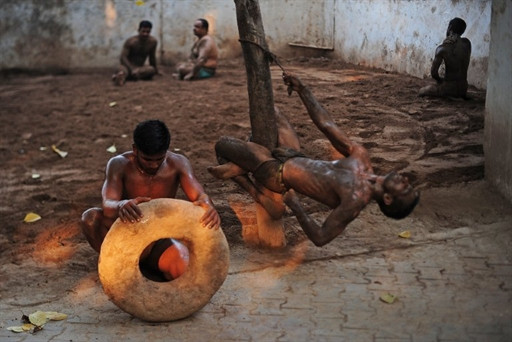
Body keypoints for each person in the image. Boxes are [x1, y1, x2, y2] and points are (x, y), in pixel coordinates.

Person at [208, 73, 419, 247]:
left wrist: (296, 205)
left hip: (277, 173)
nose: (406, 181)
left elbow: (321, 237)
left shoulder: (354, 202)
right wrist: (303, 90)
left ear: (388, 199)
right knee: (269, 110)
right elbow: (327, 124)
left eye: (406, 189)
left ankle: (254, 188)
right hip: (295, 155)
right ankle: (241, 166)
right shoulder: (362, 158)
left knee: (222, 145)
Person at [81, 120, 220, 280]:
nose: (154, 165)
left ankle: (150, 267)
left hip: (158, 239)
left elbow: (199, 196)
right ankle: (116, 269)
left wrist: (207, 204)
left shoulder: (178, 164)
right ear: (135, 150)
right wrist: (121, 205)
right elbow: (108, 205)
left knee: (181, 267)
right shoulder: (119, 164)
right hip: (125, 236)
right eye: (148, 159)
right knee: (90, 218)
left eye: (159, 159)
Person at [419, 17, 471, 98]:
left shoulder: (442, 48)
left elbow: (434, 73)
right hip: (463, 88)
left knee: (422, 91)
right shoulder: (467, 43)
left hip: (448, 88)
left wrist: (441, 81)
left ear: (449, 27)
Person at [112, 20, 160, 86]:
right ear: (139, 30)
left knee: (151, 70)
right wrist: (132, 69)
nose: (145, 34)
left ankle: (125, 77)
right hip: (127, 67)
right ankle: (121, 77)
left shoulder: (152, 42)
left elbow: (152, 57)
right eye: (143, 31)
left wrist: (156, 70)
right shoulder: (131, 41)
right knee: (121, 69)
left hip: (140, 68)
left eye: (147, 32)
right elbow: (123, 57)